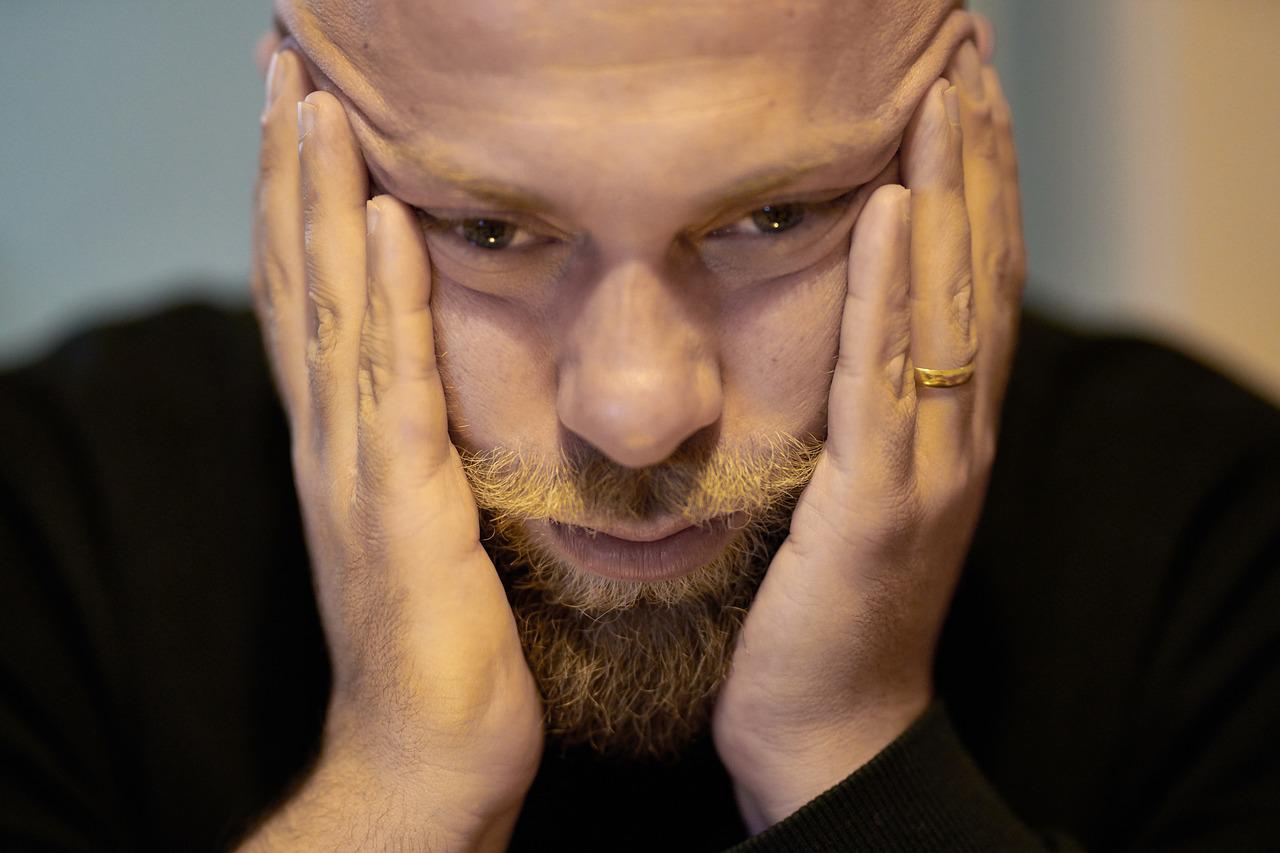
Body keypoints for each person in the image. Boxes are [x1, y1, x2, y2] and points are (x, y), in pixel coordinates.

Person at [1, 1, 1277, 851]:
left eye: (774, 219)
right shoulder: (49, 535)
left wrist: (854, 755)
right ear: (293, 137)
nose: (634, 413)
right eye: (484, 229)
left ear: (962, 122)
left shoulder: (1218, 543)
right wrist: (398, 787)